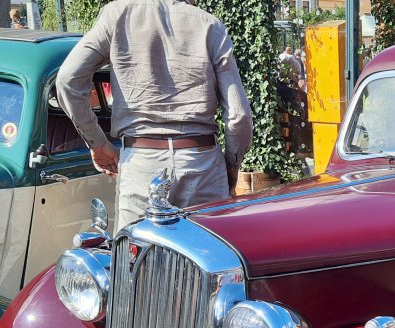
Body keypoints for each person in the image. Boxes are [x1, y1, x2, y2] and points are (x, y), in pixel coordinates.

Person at [56, 0, 252, 232]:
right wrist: (231, 164)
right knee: (206, 259)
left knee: (137, 260)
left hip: (141, 162)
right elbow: (239, 115)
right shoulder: (209, 25)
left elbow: (68, 80)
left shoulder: (117, 15)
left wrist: (97, 143)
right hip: (202, 164)